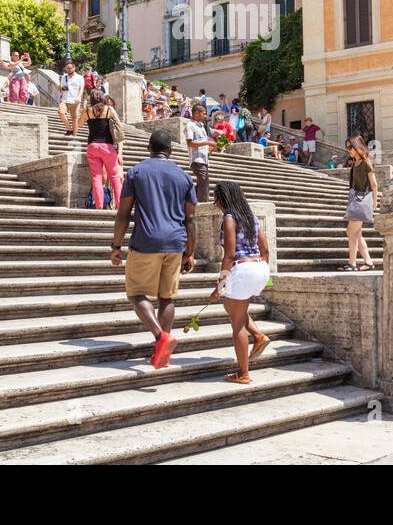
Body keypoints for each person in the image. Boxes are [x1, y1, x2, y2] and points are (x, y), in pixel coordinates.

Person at [110, 130, 197, 370]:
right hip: (176, 242)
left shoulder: (136, 172)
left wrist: (116, 245)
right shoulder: (184, 177)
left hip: (146, 241)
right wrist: (190, 252)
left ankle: (161, 338)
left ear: (149, 148)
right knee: (167, 297)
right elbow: (191, 219)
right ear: (170, 150)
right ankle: (163, 354)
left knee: (136, 293)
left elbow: (123, 213)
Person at [207, 181, 272, 383]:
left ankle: (243, 373)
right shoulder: (251, 217)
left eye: (216, 198)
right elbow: (266, 249)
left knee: (236, 326)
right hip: (260, 268)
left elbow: (229, 255)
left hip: (243, 269)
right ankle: (258, 336)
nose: (215, 203)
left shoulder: (229, 218)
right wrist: (262, 273)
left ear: (223, 199)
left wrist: (219, 286)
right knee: (231, 306)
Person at [340, 135, 377, 271]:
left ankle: (352, 263)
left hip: (363, 200)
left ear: (358, 146)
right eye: (347, 147)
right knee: (357, 233)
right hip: (356, 199)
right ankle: (368, 262)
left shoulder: (366, 162)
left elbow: (374, 184)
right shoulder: (354, 164)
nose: (349, 150)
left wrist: (374, 202)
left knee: (350, 231)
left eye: (351, 147)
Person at [84, 87, 124, 209]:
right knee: (115, 178)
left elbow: (79, 123)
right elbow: (120, 126)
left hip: (92, 146)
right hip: (107, 146)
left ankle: (99, 207)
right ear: (102, 98)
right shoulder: (109, 109)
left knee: (97, 177)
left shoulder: (87, 111)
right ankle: (120, 206)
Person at [185, 102, 215, 203]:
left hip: (203, 159)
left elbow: (201, 142)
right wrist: (206, 142)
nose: (205, 115)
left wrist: (209, 146)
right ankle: (204, 204)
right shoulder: (190, 125)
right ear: (196, 113)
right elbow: (190, 143)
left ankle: (188, 201)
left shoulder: (201, 126)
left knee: (201, 183)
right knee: (204, 182)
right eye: (204, 113)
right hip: (197, 160)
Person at [58, 60, 84, 135]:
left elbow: (81, 88)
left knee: (74, 119)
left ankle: (74, 135)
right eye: (67, 68)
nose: (68, 70)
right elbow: (61, 91)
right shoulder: (64, 77)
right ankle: (69, 129)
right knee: (60, 112)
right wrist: (60, 87)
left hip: (75, 100)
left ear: (74, 68)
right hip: (65, 99)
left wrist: (79, 97)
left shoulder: (80, 78)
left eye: (70, 68)